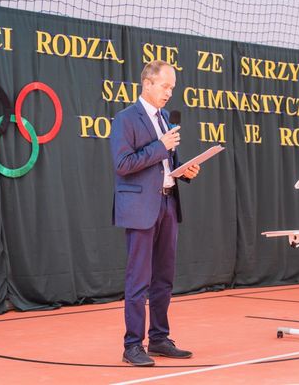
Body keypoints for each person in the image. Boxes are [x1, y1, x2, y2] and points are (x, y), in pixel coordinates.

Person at [110, 60, 200, 367]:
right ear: (147, 83)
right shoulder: (125, 119)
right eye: (165, 86)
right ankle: (132, 345)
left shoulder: (165, 118)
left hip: (168, 204)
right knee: (139, 278)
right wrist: (160, 146)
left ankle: (159, 338)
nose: (169, 92)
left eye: (172, 87)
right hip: (140, 208)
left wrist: (184, 171)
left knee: (164, 277)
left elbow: (165, 163)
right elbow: (123, 164)